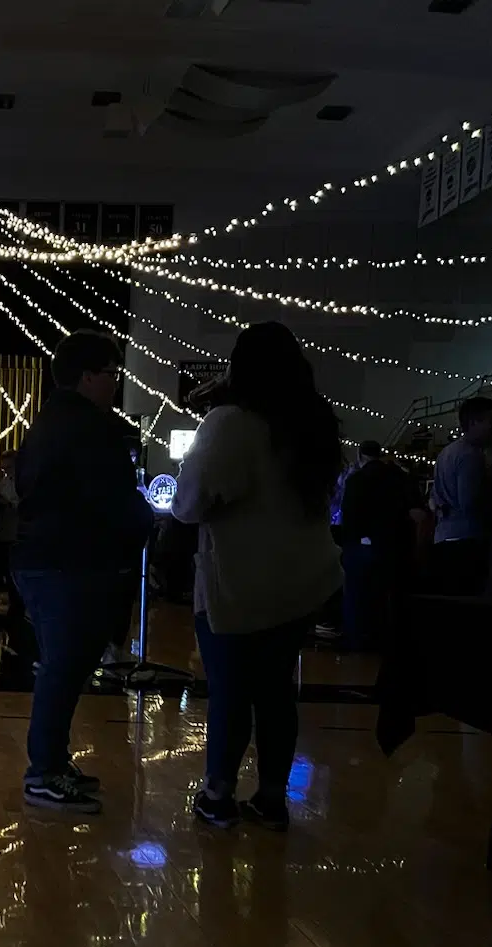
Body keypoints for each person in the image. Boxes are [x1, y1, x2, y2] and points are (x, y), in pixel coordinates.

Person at [171, 322, 343, 832]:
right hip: (301, 583)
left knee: (229, 691)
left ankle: (218, 795)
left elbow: (187, 504)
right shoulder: (314, 423)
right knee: (275, 693)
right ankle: (272, 799)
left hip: (240, 581)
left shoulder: (230, 423)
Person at [11, 332, 154, 814]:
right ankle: (44, 772)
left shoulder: (49, 421)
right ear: (89, 376)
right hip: (68, 563)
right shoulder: (91, 427)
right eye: (112, 373)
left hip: (47, 560)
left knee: (63, 667)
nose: (115, 383)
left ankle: (51, 763)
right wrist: (143, 524)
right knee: (63, 668)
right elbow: (111, 497)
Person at [338, 440, 423, 651]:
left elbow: (349, 521)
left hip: (364, 547)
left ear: (360, 456)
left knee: (358, 607)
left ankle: (358, 650)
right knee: (393, 606)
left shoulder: (356, 480)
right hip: (396, 548)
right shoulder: (400, 477)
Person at [428, 395, 492, 596]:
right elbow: (470, 504)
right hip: (466, 540)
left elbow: (433, 498)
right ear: (474, 422)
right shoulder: (470, 455)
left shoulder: (446, 453)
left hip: (444, 537)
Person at [0, 449, 24, 628]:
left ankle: (18, 608)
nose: (5, 471)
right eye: (3, 468)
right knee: (4, 572)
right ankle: (11, 606)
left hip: (15, 533)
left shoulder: (22, 483)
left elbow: (25, 506)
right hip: (3, 532)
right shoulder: (3, 483)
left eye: (8, 467)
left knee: (15, 575)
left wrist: (10, 503)